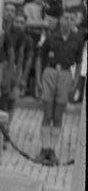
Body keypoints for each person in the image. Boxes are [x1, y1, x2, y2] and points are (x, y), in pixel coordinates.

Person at [35, 9, 85, 164]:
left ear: (74, 22)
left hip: (65, 73)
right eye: (65, 18)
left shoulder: (77, 40)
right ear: (60, 20)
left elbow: (79, 62)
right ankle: (44, 149)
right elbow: (40, 57)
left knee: (58, 116)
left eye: (71, 19)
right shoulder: (51, 37)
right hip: (50, 72)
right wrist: (38, 79)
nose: (68, 21)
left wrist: (75, 82)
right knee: (47, 114)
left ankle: (52, 150)